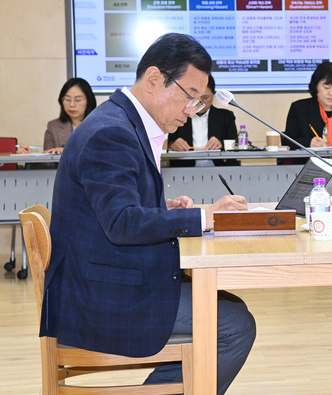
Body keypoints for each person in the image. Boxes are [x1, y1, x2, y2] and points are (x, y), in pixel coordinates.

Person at [40, 33, 256, 394]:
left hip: (105, 279)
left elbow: (112, 208)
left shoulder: (119, 121)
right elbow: (122, 222)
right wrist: (206, 217)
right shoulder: (112, 132)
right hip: (99, 297)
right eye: (190, 97)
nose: (191, 111)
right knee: (235, 325)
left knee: (226, 312)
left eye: (199, 103)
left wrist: (160, 208)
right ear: (154, 79)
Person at [167, 74, 239, 167]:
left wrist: (221, 143)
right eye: (195, 98)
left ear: (213, 95)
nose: (200, 102)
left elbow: (235, 144)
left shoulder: (225, 116)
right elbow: (166, 141)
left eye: (205, 98)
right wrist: (172, 144)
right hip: (184, 169)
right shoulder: (178, 115)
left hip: (218, 169)